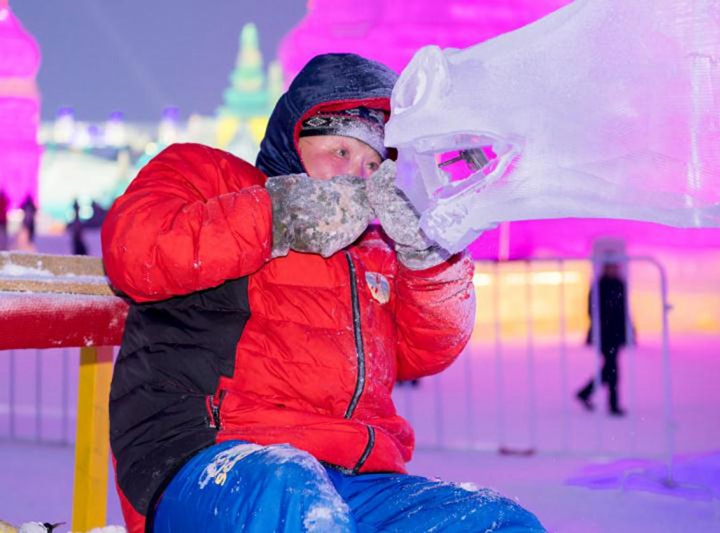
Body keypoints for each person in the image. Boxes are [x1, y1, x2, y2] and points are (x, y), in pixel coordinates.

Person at [102, 53, 544, 533]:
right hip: (214, 460)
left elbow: (426, 352)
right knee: (296, 503)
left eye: (374, 163)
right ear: (297, 136)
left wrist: (427, 253)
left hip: (354, 477)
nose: (357, 174)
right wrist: (278, 215)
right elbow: (135, 252)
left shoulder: (374, 249)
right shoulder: (207, 176)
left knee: (496, 522)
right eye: (341, 152)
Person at [576, 260, 629, 417]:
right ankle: (611, 404)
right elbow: (591, 310)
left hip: (615, 334)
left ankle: (586, 393)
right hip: (604, 334)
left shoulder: (619, 284)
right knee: (611, 369)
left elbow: (623, 311)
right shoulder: (599, 285)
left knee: (610, 369)